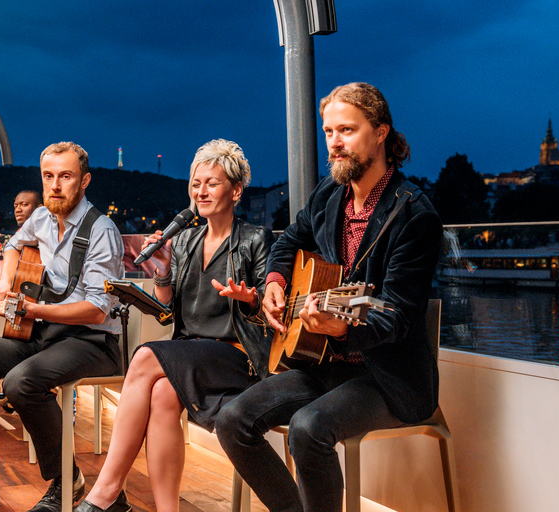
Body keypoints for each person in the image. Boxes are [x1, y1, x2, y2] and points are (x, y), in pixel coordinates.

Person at [215, 83, 444, 512]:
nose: (334, 143)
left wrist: (342, 329)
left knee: (308, 428)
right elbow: (287, 243)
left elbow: (396, 317)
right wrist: (275, 282)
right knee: (231, 420)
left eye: (347, 130)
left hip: (388, 378)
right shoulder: (328, 195)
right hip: (323, 362)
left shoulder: (414, 215)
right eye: (328, 131)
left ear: (380, 133)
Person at [75, 139, 274, 512]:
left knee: (146, 355)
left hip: (236, 354)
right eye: (196, 183)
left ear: (236, 190)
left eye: (212, 183)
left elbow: (269, 307)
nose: (201, 191)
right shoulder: (183, 240)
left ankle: (104, 492)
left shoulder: (254, 239)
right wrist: (163, 271)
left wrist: (250, 300)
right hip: (190, 351)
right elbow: (166, 309)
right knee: (163, 394)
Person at [0, 142, 126, 512]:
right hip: (43, 334)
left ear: (84, 181)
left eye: (65, 176)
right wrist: (6, 281)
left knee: (21, 382)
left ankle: (68, 479)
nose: (54, 185)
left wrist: (35, 309)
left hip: (93, 342)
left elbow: (97, 311)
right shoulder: (40, 219)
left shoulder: (102, 229)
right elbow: (13, 247)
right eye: (48, 176)